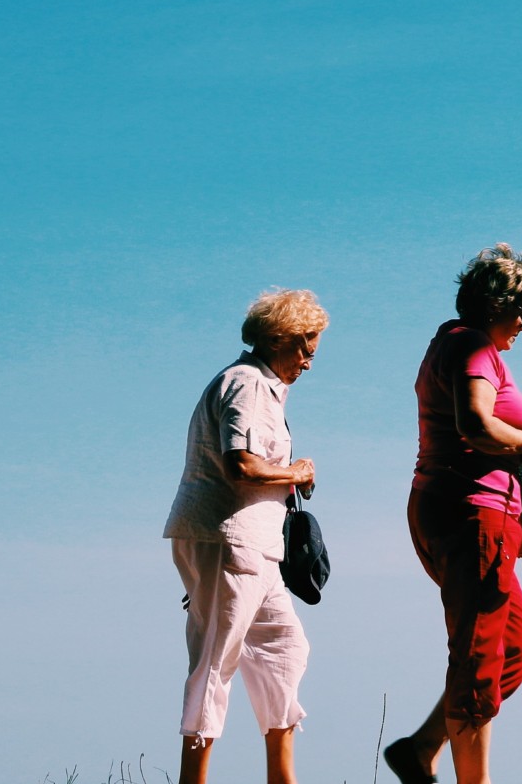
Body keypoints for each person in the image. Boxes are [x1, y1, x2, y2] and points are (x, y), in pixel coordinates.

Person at [383, 244, 522, 784]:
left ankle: (420, 749)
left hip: (464, 510)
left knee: (515, 647)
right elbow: (475, 425)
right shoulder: (473, 348)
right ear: (497, 305)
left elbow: (479, 426)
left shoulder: (451, 343)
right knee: (480, 656)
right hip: (473, 513)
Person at [163, 288, 328, 784]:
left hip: (250, 543)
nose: (307, 362)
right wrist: (296, 473)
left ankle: (282, 776)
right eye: (305, 349)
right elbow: (242, 465)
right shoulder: (249, 384)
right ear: (280, 338)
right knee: (216, 659)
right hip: (230, 539)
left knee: (285, 645)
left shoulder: (253, 383)